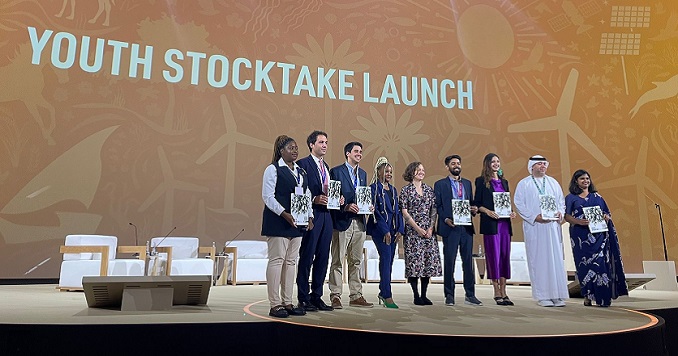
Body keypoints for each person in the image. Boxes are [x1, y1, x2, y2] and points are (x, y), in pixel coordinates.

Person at [261, 135, 312, 318]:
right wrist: (284, 214)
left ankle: (287, 302)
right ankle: (275, 304)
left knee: (291, 262)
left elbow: (306, 194)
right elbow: (268, 197)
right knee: (277, 261)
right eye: (291, 148)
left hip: (297, 223)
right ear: (281, 151)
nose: (295, 151)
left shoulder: (301, 172)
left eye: (296, 148)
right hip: (278, 222)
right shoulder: (273, 169)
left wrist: (309, 215)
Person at [564, 169, 628, 307]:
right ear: (576, 181)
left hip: (599, 237)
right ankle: (587, 296)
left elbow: (607, 213)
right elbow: (566, 216)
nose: (585, 181)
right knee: (584, 267)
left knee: (601, 266)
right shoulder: (570, 198)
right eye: (582, 179)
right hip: (580, 238)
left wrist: (606, 218)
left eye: (587, 178)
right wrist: (578, 221)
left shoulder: (597, 197)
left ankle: (603, 298)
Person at [514, 155, 569, 307]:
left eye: (544, 164)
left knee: (555, 259)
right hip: (535, 227)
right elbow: (519, 204)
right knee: (539, 259)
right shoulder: (524, 184)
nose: (542, 166)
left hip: (552, 227)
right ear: (531, 167)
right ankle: (543, 295)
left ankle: (557, 295)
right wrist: (534, 217)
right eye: (539, 164)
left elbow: (560, 202)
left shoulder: (553, 183)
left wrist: (560, 213)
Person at [328, 142, 373, 308]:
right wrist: (345, 206)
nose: (359, 154)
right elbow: (333, 199)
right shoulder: (336, 171)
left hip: (359, 222)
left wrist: (367, 206)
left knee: (356, 261)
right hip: (342, 221)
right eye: (356, 151)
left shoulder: (362, 173)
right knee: (338, 260)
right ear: (348, 153)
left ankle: (356, 295)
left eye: (361, 151)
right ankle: (335, 296)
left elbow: (362, 196)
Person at [434, 155, 483, 306]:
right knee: (450, 261)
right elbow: (438, 206)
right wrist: (445, 219)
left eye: (458, 163)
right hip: (451, 226)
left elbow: (471, 202)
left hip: (466, 227)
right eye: (453, 163)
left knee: (468, 262)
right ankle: (449, 295)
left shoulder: (467, 184)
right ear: (447, 167)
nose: (456, 165)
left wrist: (474, 209)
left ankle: (470, 294)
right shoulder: (440, 184)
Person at [295, 131, 335, 312]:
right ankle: (303, 297)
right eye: (321, 142)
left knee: (323, 257)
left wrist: (337, 199)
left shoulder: (326, 166)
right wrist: (313, 200)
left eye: (326, 142)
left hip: (327, 215)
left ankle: (316, 295)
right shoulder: (302, 164)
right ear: (311, 144)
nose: (325, 145)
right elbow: (298, 191)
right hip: (312, 215)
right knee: (307, 255)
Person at [473, 153, 517, 306]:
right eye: (493, 161)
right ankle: (496, 290)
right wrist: (487, 211)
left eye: (498, 161)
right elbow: (477, 203)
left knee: (504, 256)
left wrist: (511, 212)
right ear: (487, 164)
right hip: (491, 225)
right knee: (494, 257)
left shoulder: (504, 182)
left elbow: (505, 202)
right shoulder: (481, 181)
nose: (496, 164)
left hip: (505, 225)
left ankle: (504, 291)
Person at [399, 162, 441, 305]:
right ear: (412, 172)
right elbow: (404, 212)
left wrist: (430, 228)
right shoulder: (406, 190)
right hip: (413, 232)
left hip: (428, 232)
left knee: (427, 264)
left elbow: (433, 210)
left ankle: (424, 294)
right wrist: (417, 228)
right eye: (418, 170)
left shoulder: (429, 190)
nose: (422, 172)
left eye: (423, 170)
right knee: (414, 264)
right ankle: (416, 295)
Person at [366, 157, 404, 308]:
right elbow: (375, 212)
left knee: (389, 261)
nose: (389, 174)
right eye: (386, 171)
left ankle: (383, 291)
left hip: (394, 231)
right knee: (386, 258)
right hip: (380, 230)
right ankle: (387, 295)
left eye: (390, 171)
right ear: (378, 171)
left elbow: (398, 211)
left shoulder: (393, 190)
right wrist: (385, 231)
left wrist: (400, 229)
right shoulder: (373, 189)